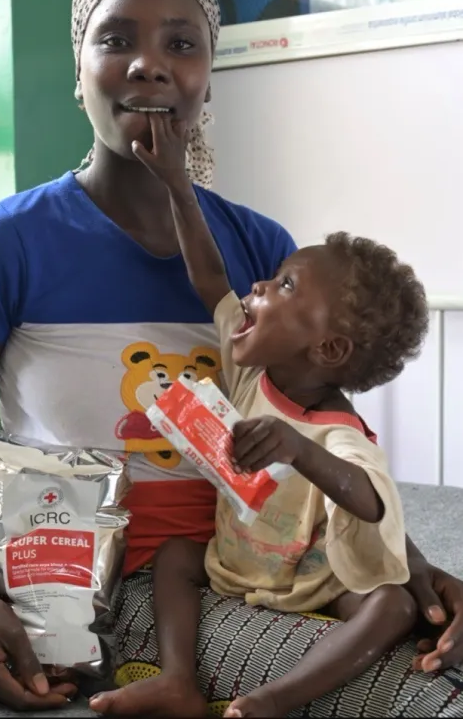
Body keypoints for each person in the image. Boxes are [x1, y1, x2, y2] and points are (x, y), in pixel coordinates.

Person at [0, 0, 463, 716]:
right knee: (418, 698)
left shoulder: (263, 248)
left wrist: (412, 568)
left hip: (268, 556)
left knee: (426, 638)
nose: (148, 65)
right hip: (121, 579)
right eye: (115, 39)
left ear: (206, 76)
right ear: (79, 68)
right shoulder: (4, 245)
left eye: (180, 43)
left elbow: (320, 431)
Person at [89, 111, 429, 718]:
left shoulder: (340, 436)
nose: (259, 289)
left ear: (327, 350)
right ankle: (178, 680)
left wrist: (300, 450)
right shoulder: (251, 373)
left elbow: (372, 501)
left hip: (314, 586)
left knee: (393, 606)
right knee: (174, 555)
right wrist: (176, 185)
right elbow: (209, 277)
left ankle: (271, 702)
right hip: (233, 565)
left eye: (285, 286)